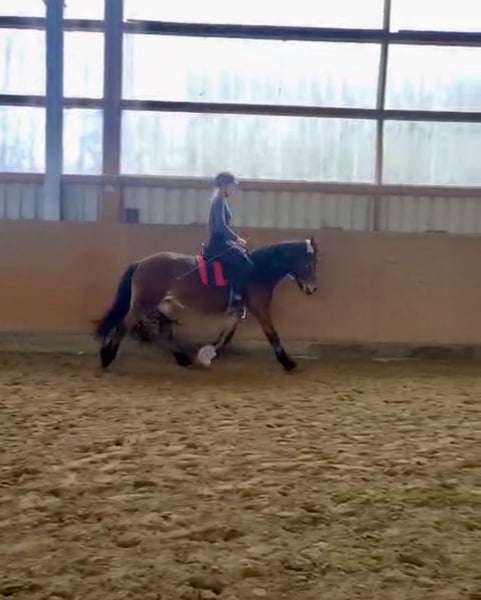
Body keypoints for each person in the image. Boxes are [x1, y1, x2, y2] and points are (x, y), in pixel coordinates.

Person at [204, 172, 253, 318]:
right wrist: (237, 239)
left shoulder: (221, 200)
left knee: (245, 255)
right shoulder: (218, 201)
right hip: (218, 245)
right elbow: (220, 227)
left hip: (223, 243)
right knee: (246, 264)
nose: (233, 189)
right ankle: (235, 302)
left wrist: (233, 242)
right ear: (224, 186)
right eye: (232, 186)